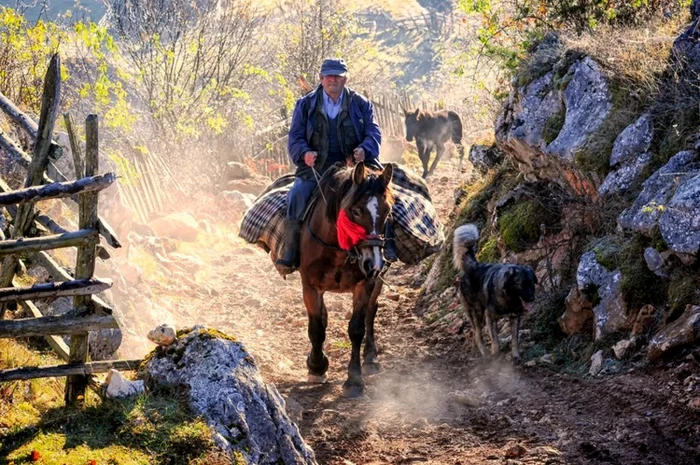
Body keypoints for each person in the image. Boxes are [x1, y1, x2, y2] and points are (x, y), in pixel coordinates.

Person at [276, 57, 398, 268]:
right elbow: (295, 138)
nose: (333, 79)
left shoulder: (361, 103)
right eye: (329, 76)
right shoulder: (305, 105)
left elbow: (373, 133)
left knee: (383, 197)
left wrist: (365, 149)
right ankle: (291, 251)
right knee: (296, 196)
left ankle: (388, 245)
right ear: (321, 78)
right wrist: (304, 153)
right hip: (316, 168)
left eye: (338, 76)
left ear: (345, 79)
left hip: (355, 167)